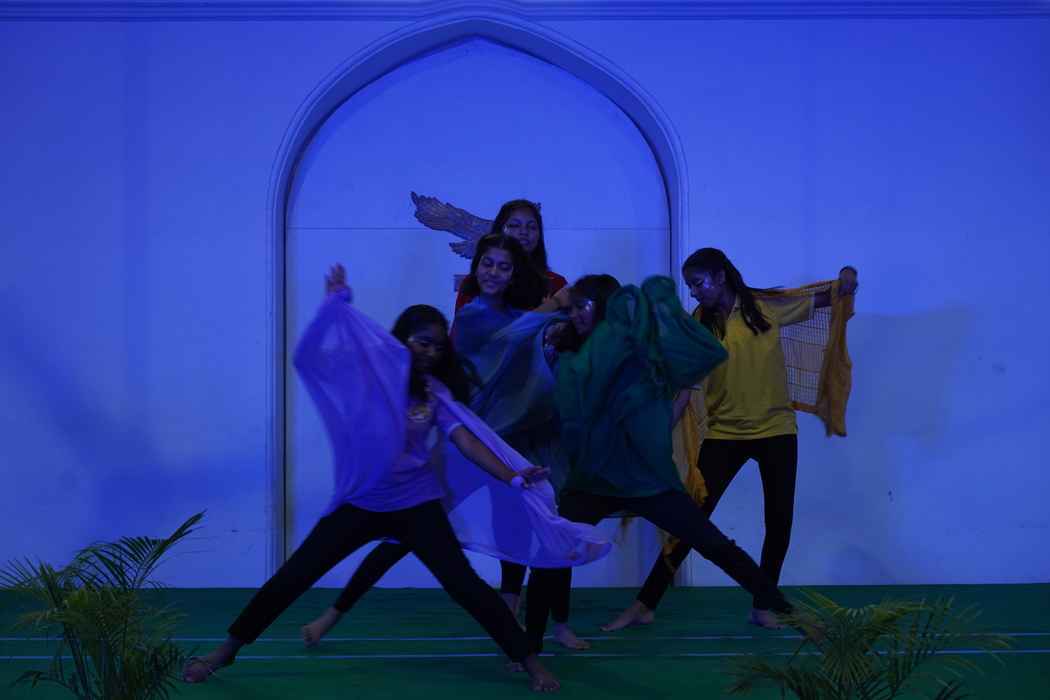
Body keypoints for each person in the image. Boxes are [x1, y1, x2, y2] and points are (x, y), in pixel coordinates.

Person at [184, 263, 608, 693]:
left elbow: (467, 441)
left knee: (465, 585)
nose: (430, 352)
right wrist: (334, 307)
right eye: (422, 342)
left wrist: (513, 475)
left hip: (416, 506)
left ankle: (530, 661)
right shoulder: (369, 377)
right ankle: (226, 651)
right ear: (400, 340)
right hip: (363, 502)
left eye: (438, 346)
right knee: (295, 575)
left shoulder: (435, 394)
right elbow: (310, 357)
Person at [303, 238, 588, 650]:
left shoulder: (522, 316)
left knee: (518, 520)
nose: (494, 272)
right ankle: (332, 614)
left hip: (501, 441)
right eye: (487, 264)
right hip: (464, 441)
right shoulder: (474, 315)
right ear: (476, 267)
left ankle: (520, 623)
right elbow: (509, 339)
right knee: (401, 538)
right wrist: (554, 305)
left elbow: (532, 358)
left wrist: (564, 317)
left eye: (504, 267)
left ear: (515, 274)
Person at [524, 274, 798, 654]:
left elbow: (707, 354)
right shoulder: (570, 356)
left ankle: (785, 609)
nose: (574, 315)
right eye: (571, 309)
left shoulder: (642, 350)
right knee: (553, 549)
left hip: (648, 480)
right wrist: (556, 310)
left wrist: (665, 310)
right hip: (592, 481)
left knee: (712, 543)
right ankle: (532, 645)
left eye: (580, 307)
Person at [603, 248, 859, 632]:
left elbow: (832, 295)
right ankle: (645, 604)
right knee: (690, 520)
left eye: (698, 283)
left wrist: (848, 276)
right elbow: (685, 390)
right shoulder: (698, 325)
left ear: (721, 276)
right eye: (690, 286)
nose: (694, 292)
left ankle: (763, 606)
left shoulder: (765, 308)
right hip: (725, 434)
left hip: (777, 431)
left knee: (779, 523)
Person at [454, 199, 568, 311]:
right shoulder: (476, 283)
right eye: (514, 225)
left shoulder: (556, 284)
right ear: (499, 230)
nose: (524, 232)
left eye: (532, 227)